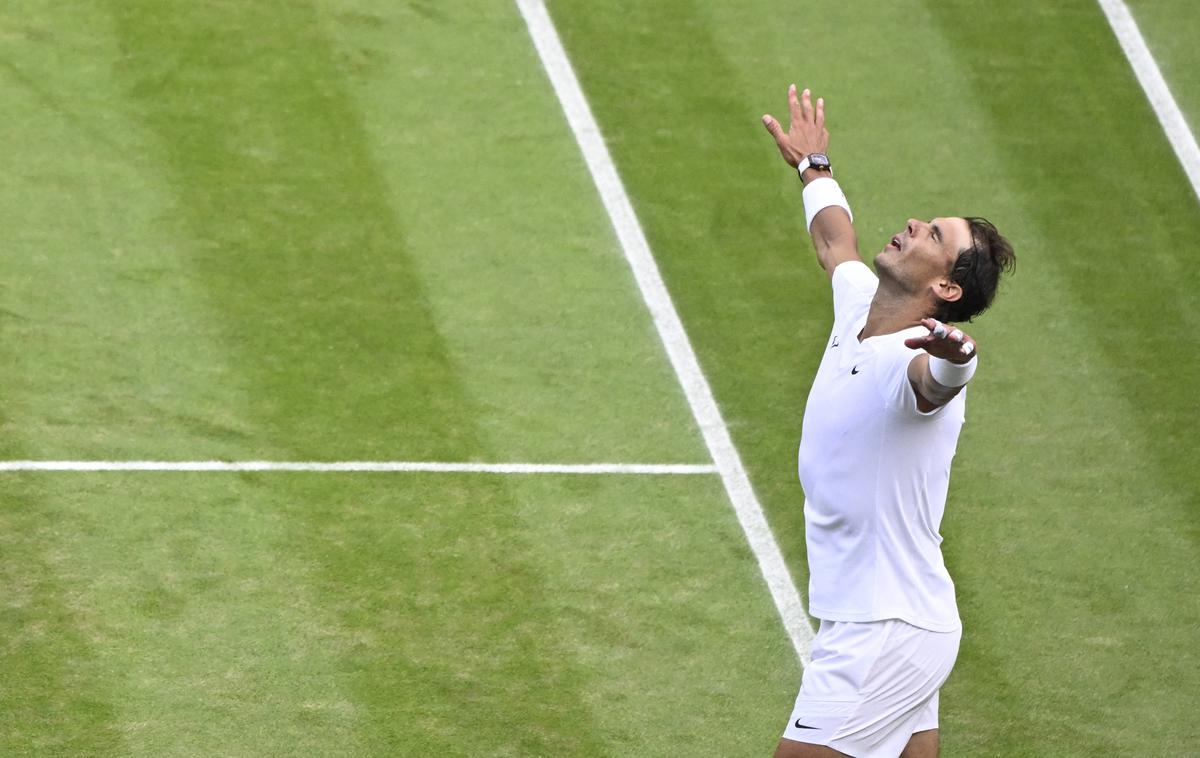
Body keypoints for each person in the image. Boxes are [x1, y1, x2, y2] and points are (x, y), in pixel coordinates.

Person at [760, 85, 1016, 758]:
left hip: (882, 630)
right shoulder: (858, 303)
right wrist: (814, 167)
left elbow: (934, 387)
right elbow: (833, 239)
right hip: (899, 622)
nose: (912, 225)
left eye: (935, 235)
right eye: (926, 221)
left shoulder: (912, 356)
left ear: (947, 290)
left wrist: (957, 357)